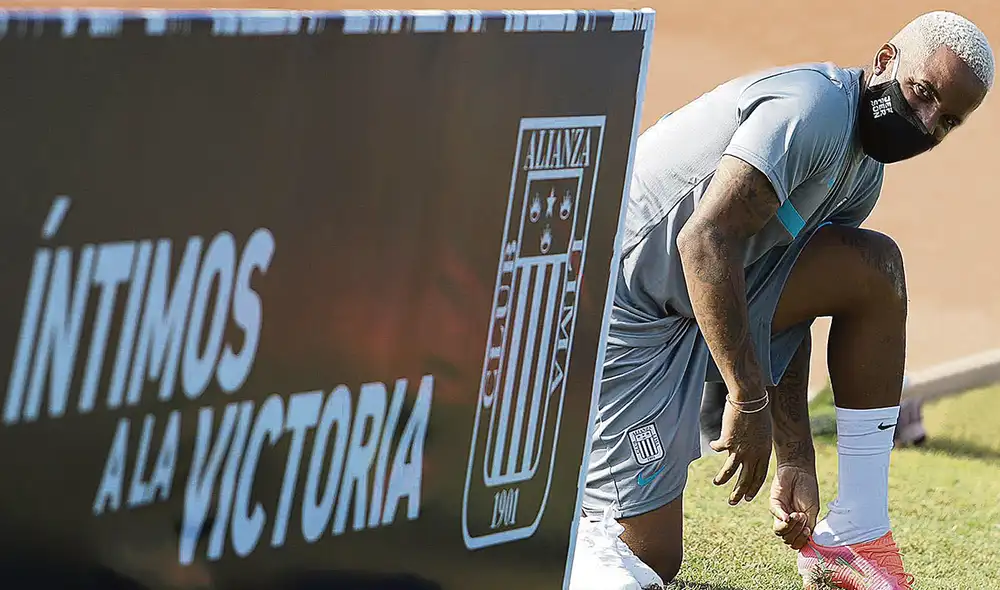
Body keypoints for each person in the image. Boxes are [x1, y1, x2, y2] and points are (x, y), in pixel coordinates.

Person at [568, 10, 992, 590]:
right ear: (886, 61)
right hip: (621, 305)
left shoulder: (864, 173)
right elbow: (705, 238)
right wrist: (747, 397)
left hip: (696, 300)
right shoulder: (812, 110)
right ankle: (569, 520)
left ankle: (859, 533)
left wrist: (796, 455)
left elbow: (774, 301)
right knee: (648, 561)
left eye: (947, 121)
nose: (925, 124)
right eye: (922, 95)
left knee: (873, 269)